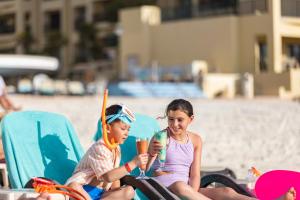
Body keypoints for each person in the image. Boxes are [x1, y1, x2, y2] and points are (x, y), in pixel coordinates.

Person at [146, 99, 296, 200]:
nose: (174, 124)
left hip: (188, 188)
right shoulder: (160, 138)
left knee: (227, 192)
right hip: (163, 188)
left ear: (191, 119)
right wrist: (152, 153)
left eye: (180, 120)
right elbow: (146, 169)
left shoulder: (196, 140)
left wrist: (192, 192)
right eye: (171, 119)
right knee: (180, 187)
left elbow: (195, 174)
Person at [66, 104, 148, 200]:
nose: (126, 133)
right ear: (108, 128)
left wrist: (117, 191)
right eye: (123, 128)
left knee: (129, 191)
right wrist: (133, 163)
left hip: (101, 193)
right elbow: (108, 177)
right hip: (84, 190)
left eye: (128, 130)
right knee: (74, 186)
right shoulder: (99, 147)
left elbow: (115, 177)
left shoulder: (116, 148)